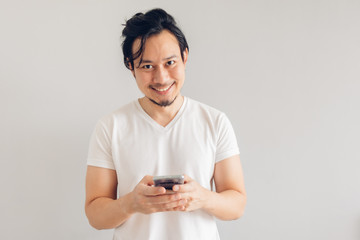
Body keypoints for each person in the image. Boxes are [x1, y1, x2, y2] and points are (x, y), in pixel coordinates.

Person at [85, 8, 246, 240]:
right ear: (130, 66)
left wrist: (202, 197)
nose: (161, 78)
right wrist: (131, 204)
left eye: (170, 62)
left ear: (185, 56)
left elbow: (237, 204)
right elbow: (95, 215)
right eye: (147, 66)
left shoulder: (214, 121)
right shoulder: (110, 127)